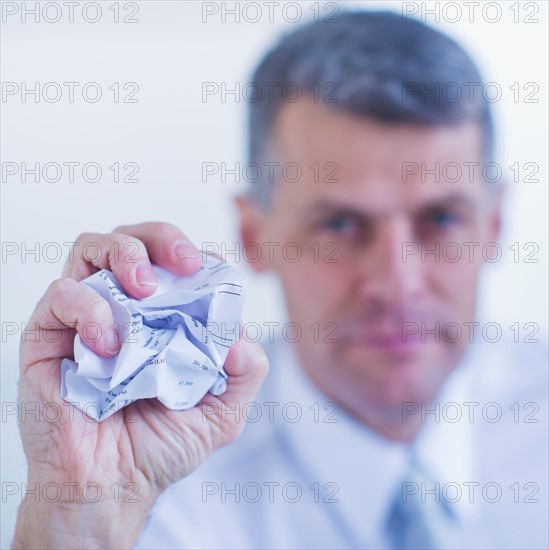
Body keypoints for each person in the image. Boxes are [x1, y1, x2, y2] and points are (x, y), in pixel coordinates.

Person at [14, 11, 547, 550]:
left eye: (441, 220)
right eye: (339, 225)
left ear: (495, 224)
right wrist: (78, 512)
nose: (397, 283)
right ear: (253, 235)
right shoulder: (161, 477)